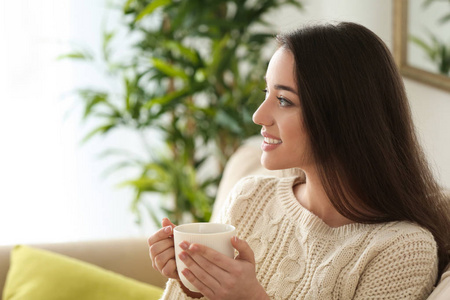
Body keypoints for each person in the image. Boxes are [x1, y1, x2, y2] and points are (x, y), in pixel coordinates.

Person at [148, 21, 450, 299]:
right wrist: (193, 285)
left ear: (343, 119)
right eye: (266, 92)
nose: (259, 116)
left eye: (283, 100)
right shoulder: (250, 198)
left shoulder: (402, 249)